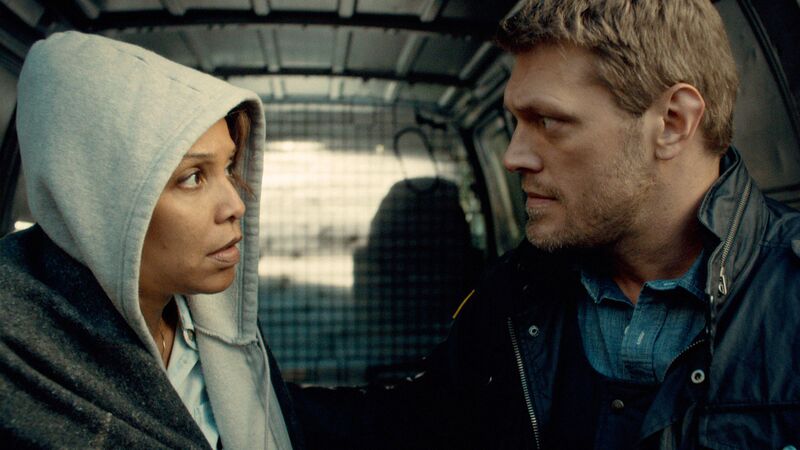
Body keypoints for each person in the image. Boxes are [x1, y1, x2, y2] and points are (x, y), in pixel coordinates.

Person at [289, 1, 800, 448]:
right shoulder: (519, 290)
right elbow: (413, 424)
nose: (513, 156)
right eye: (515, 122)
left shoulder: (789, 297)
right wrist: (254, 395)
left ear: (672, 122)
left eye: (547, 121)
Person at [0, 32, 302, 449]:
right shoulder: (18, 348)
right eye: (193, 178)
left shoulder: (211, 313)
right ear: (97, 201)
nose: (237, 205)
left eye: (229, 167)